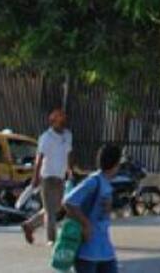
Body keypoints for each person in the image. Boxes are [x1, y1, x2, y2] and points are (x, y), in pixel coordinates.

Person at [63, 143, 121, 273]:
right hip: (87, 251)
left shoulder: (106, 183)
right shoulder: (94, 181)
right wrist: (86, 224)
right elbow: (69, 201)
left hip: (105, 249)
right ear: (115, 164)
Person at [22, 107, 73, 245]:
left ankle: (29, 225)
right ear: (53, 121)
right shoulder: (46, 137)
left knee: (55, 209)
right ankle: (52, 239)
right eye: (60, 120)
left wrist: (70, 170)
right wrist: (35, 177)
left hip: (60, 177)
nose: (63, 122)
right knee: (50, 212)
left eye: (64, 119)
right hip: (47, 177)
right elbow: (39, 158)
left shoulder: (68, 135)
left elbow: (68, 154)